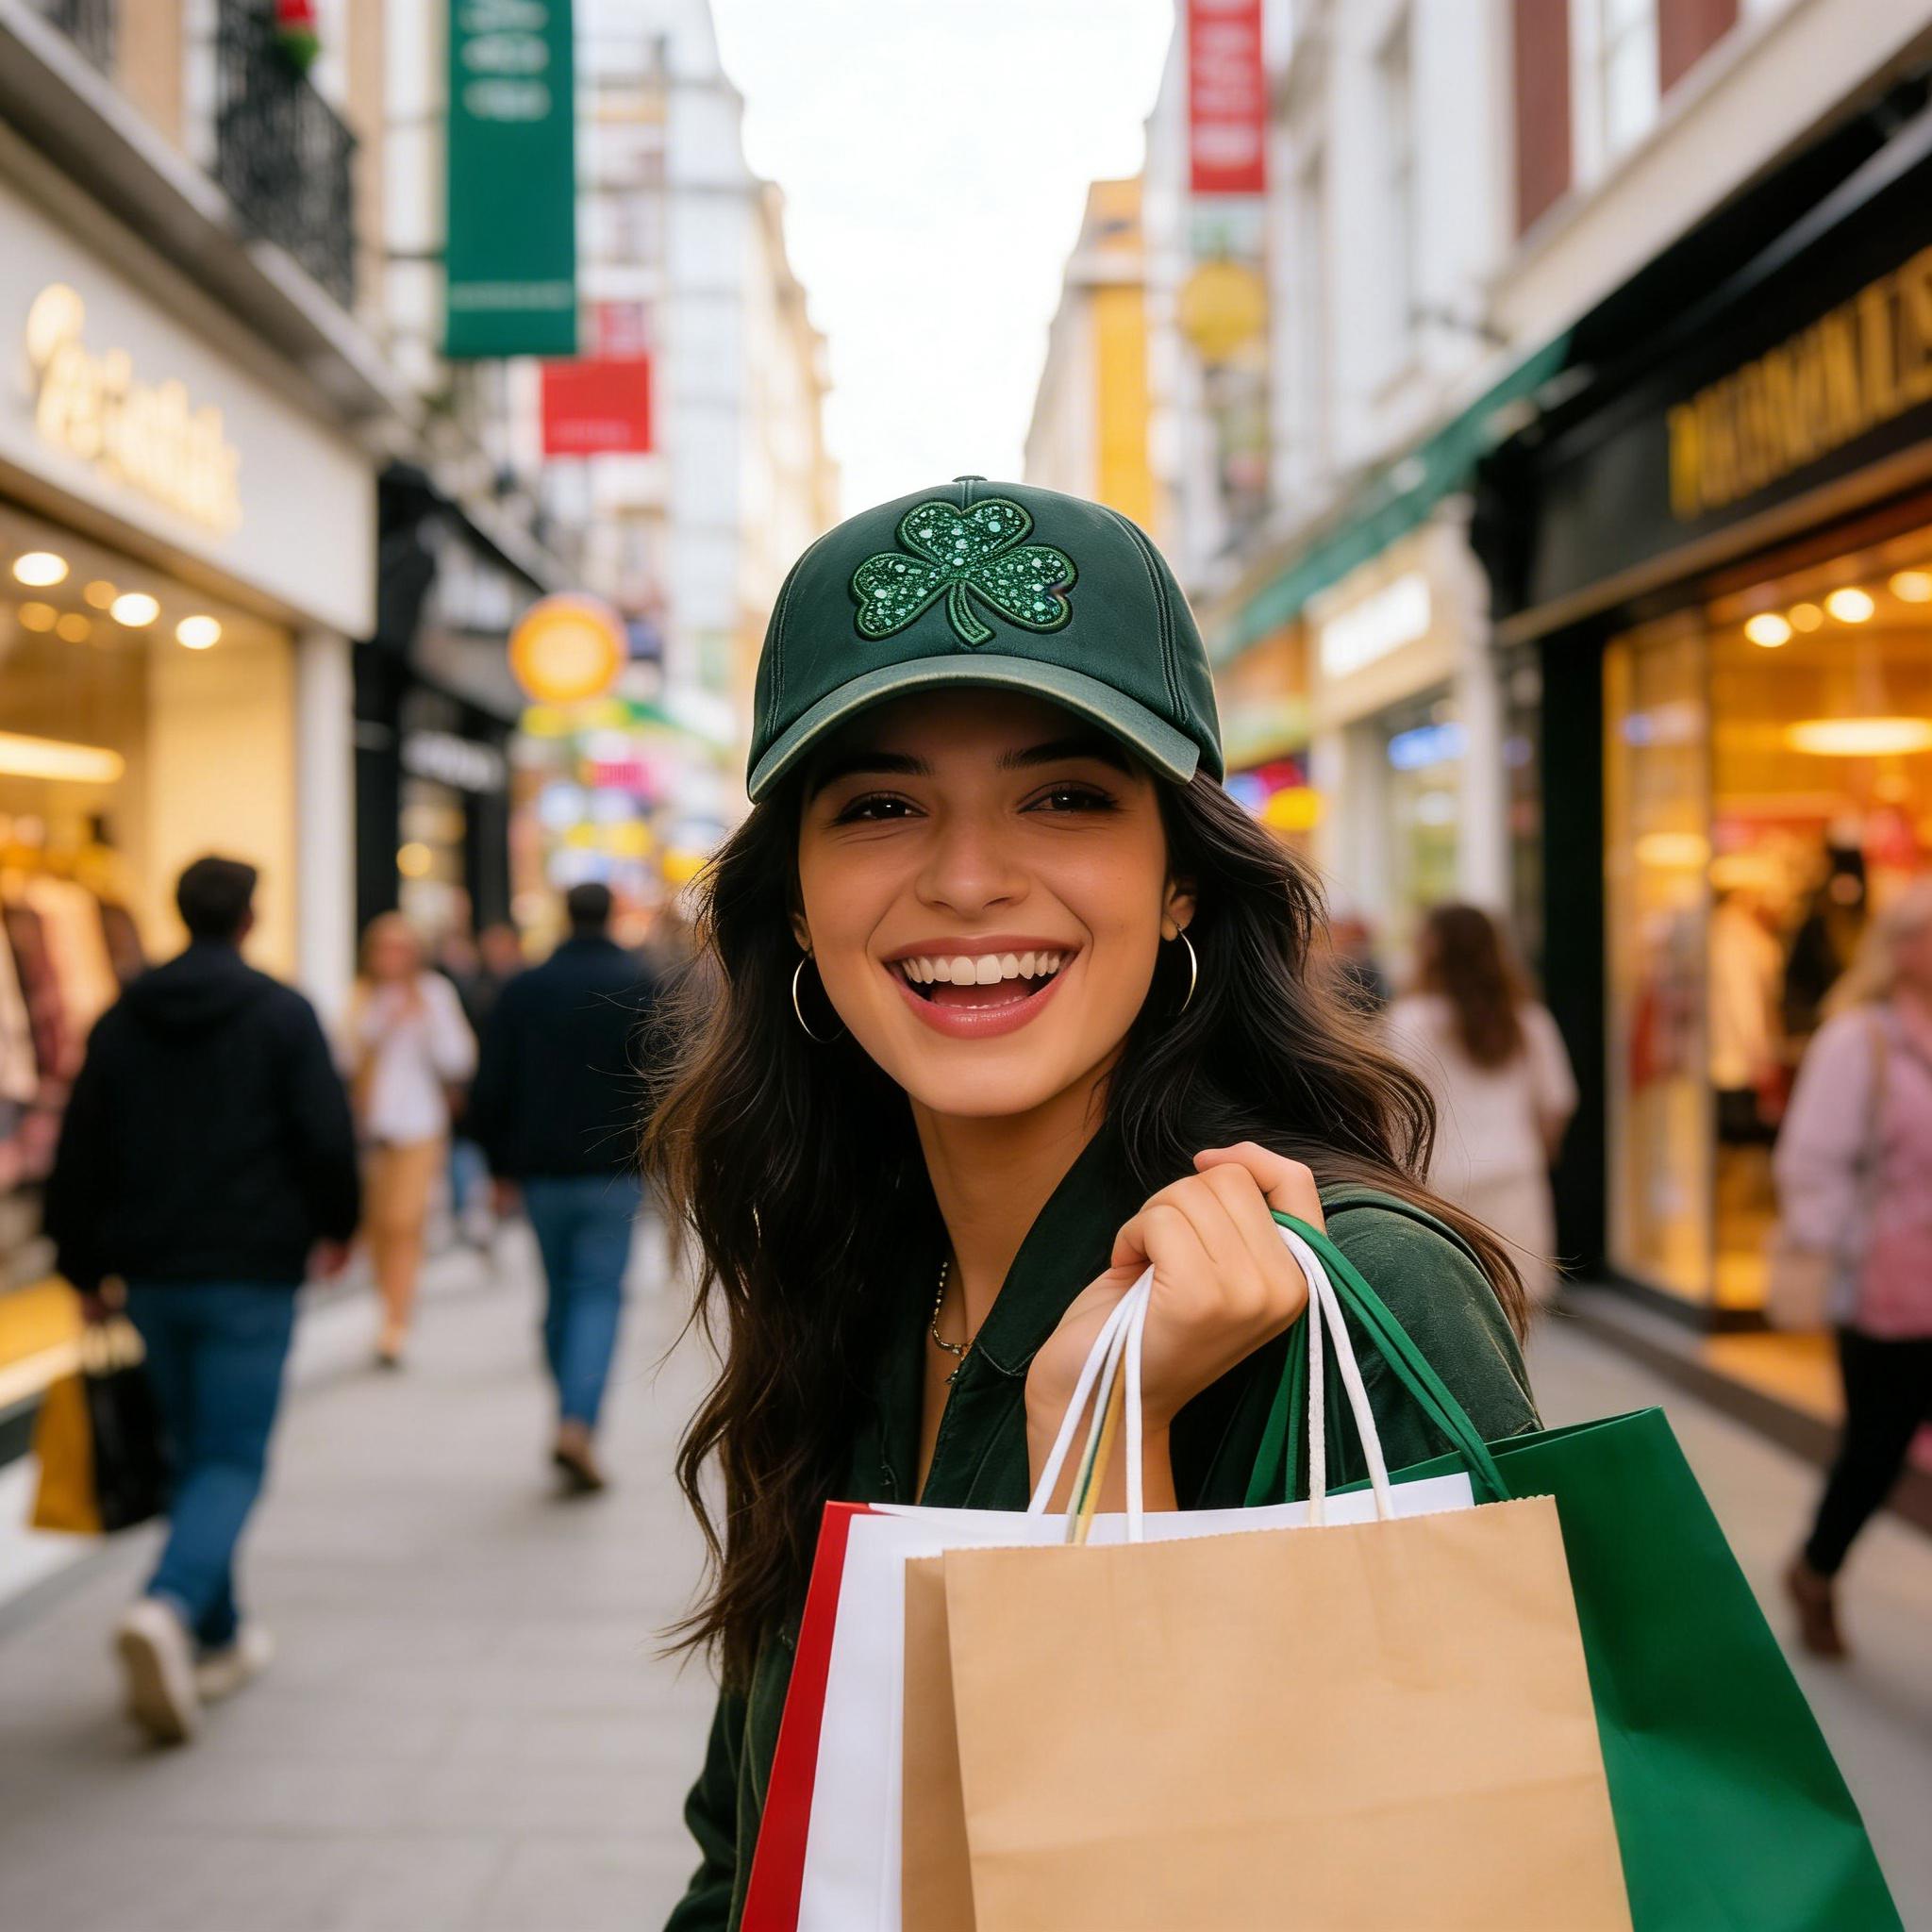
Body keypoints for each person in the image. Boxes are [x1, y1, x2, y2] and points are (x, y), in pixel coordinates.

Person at [642, 480, 1541, 1929]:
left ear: (1181, 877)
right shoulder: (848, 1265)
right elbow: (750, 1849)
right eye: (880, 806)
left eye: (1065, 797)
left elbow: (1451, 1878)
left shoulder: (1343, 1298)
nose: (969, 880)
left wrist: (1107, 1454)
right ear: (795, 902)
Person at [43, 857, 358, 1744]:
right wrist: (339, 1226)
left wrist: (79, 1266)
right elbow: (324, 1134)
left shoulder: (123, 1017)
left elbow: (82, 1146)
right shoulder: (280, 1013)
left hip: (150, 1275)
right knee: (230, 1458)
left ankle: (217, 1638)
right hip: (251, 1271)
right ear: (249, 919)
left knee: (192, 1452)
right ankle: (170, 1605)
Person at [1776, 877, 1932, 1657]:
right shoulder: (1860, 1039)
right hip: (1888, 1292)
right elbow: (1811, 1164)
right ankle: (1817, 1566)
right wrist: (1840, 1261)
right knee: (1875, 1451)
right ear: (1904, 950)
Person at [467, 883, 659, 1491]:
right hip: (614, 1170)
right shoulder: (642, 983)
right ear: (611, 917)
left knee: (558, 1297)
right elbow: (665, 1076)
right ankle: (578, 1420)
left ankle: (569, 1409)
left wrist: (497, 1167)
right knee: (599, 1295)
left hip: (543, 1171)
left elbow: (492, 1082)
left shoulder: (524, 987)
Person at [1382, 904, 1577, 1308]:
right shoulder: (1527, 1021)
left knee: (1449, 1311)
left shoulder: (1411, 1020)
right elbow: (1557, 1103)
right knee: (1514, 1306)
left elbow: (1396, 1110)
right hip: (1514, 1175)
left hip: (1437, 1183)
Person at [344, 913, 475, 1366]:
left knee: (404, 1221)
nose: (392, 957)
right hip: (371, 1130)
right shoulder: (362, 996)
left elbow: (459, 1059)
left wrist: (424, 1022)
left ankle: (396, 1323)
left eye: (401, 948)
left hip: (420, 1126)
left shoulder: (435, 993)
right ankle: (388, 1310)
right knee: (378, 1227)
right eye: (384, 947)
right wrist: (380, 1029)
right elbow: (343, 1057)